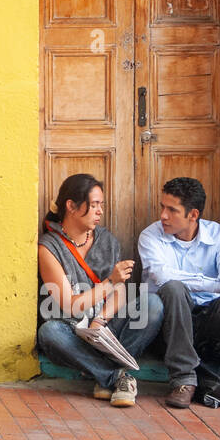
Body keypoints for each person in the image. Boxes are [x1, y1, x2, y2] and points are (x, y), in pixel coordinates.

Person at [36, 173, 164, 407]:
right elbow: (69, 305)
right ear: (71, 206)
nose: (100, 211)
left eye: (101, 205)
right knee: (49, 332)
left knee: (152, 305)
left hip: (104, 328)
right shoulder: (49, 247)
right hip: (72, 332)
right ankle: (117, 377)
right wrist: (109, 282)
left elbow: (120, 293)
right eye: (94, 205)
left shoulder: (107, 240)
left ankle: (99, 372)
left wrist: (100, 321)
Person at [136, 177, 220, 411]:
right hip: (170, 327)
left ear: (193, 215)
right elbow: (162, 276)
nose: (163, 215)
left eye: (172, 210)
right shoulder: (150, 236)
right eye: (162, 207)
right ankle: (183, 381)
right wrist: (216, 285)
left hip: (209, 326)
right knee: (173, 288)